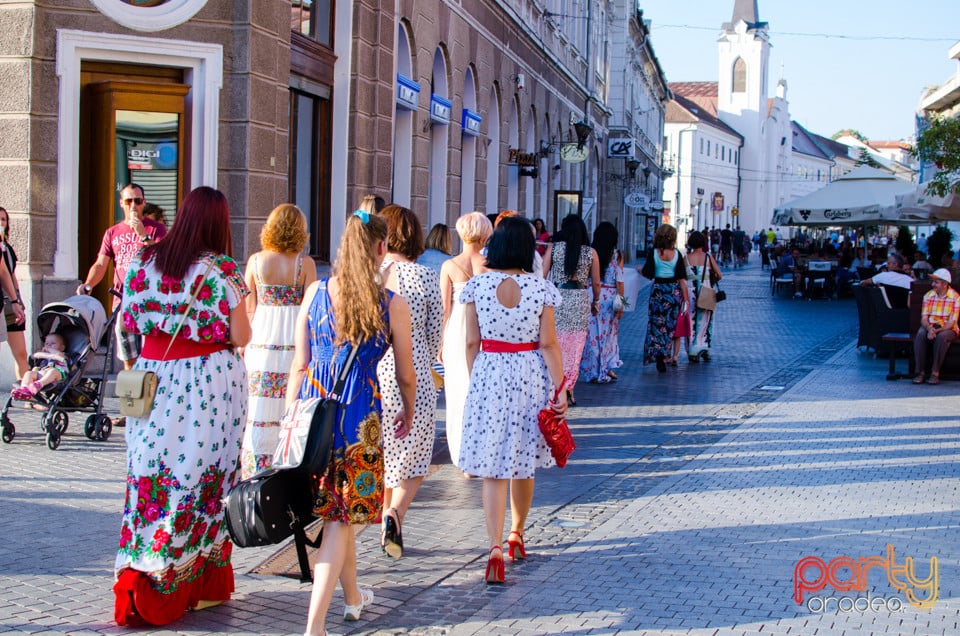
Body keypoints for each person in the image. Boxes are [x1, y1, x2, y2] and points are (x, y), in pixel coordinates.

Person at [112, 186, 251, 627]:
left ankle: (144, 567)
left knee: (150, 477)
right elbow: (242, 336)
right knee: (202, 480)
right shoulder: (221, 269)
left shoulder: (143, 261)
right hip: (207, 382)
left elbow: (127, 325)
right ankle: (195, 581)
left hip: (152, 379)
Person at [292, 210, 415, 636]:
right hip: (359, 416)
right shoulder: (389, 304)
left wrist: (290, 417)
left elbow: (299, 363)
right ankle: (315, 626)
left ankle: (353, 598)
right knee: (340, 521)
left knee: (335, 518)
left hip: (313, 414)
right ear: (381, 249)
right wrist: (410, 409)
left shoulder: (315, 293)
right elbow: (404, 374)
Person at [458, 216, 566, 584]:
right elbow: (548, 343)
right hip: (529, 373)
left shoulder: (477, 286)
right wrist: (561, 387)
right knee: (522, 459)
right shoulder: (540, 289)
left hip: (490, 370)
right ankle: (517, 535)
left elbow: (471, 342)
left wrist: (479, 376)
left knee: (493, 463)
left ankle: (492, 547)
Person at [376, 204, 442, 559]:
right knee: (415, 453)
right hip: (413, 365)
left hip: (374, 365)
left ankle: (385, 523)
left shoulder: (373, 274)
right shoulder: (425, 277)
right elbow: (435, 335)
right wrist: (424, 358)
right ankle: (395, 514)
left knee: (386, 448)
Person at [240, 204, 317, 478]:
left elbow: (249, 307)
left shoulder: (255, 262)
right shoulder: (304, 264)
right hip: (292, 340)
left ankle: (255, 469)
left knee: (259, 404)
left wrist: (246, 344)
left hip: (261, 339)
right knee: (291, 402)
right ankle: (286, 463)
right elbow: (309, 310)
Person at [77, 183, 167, 370]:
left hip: (149, 300)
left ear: (144, 203)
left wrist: (143, 236)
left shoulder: (156, 229)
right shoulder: (112, 232)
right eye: (128, 201)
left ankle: (150, 396)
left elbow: (163, 260)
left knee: (152, 355)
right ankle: (132, 396)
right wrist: (88, 284)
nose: (133, 205)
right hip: (123, 300)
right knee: (129, 358)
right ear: (121, 203)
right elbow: (101, 264)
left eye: (137, 200)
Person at [439, 212, 493, 469]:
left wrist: (439, 344)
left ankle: (462, 456)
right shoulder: (490, 263)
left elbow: (444, 309)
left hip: (457, 332)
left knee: (457, 394)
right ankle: (482, 452)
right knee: (483, 393)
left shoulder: (449, 266)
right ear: (485, 234)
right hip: (484, 330)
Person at [542, 214, 600, 405]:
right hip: (579, 299)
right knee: (574, 347)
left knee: (554, 342)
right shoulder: (591, 253)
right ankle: (569, 389)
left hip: (557, 297)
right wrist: (595, 302)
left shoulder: (553, 248)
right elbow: (596, 283)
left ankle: (554, 386)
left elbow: (542, 276)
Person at [638, 223, 689, 373]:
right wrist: (685, 299)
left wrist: (639, 270)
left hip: (658, 292)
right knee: (670, 326)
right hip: (673, 292)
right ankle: (666, 354)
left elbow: (648, 273)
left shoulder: (654, 253)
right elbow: (682, 279)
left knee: (655, 324)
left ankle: (657, 353)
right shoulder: (677, 254)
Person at [580, 221, 623, 383]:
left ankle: (592, 369)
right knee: (608, 335)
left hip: (592, 293)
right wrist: (622, 305)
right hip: (610, 296)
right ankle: (606, 367)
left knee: (591, 335)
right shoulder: (617, 254)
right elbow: (620, 281)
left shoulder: (591, 252)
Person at [912, 268, 960, 385]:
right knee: (920, 334)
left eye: (936, 282)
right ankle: (920, 372)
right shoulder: (928, 295)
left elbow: (952, 322)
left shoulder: (955, 297)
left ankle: (935, 372)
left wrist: (936, 331)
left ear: (944, 284)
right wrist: (929, 329)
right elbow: (924, 318)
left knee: (942, 337)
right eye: (933, 282)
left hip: (947, 328)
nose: (932, 284)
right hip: (930, 326)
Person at [685, 231, 722, 362]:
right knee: (706, 320)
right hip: (706, 290)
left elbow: (682, 276)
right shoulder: (708, 257)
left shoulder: (686, 258)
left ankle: (692, 348)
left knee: (690, 319)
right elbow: (719, 274)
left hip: (690, 292)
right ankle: (704, 346)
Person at [0, 206, 28, 378]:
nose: (1, 222)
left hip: (11, 304)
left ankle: (26, 396)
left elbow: (10, 274)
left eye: (3, 219)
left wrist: (17, 299)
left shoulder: (7, 249)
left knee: (21, 354)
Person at [10, 333, 68, 400]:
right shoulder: (44, 357)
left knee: (52, 371)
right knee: (28, 373)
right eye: (46, 344)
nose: (49, 346)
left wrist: (49, 350)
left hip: (59, 375)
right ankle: (24, 389)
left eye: (53, 343)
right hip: (43, 373)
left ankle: (39, 384)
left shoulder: (63, 355)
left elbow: (59, 355)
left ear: (62, 347)